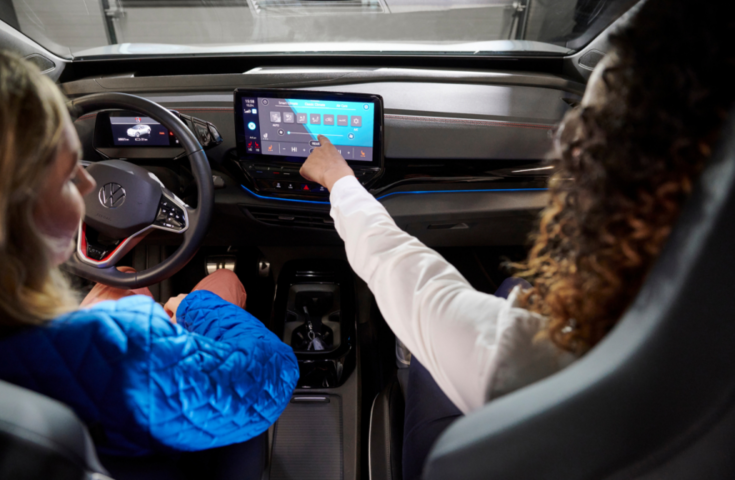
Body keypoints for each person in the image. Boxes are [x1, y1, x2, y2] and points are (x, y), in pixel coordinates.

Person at [300, 1, 734, 478]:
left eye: (590, 127)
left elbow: (411, 281)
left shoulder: (531, 363)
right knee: (510, 292)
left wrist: (340, 181)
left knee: (432, 351)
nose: (567, 135)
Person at [0, 39, 299, 465]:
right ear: (8, 206)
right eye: (69, 177)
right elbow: (271, 373)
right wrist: (194, 307)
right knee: (223, 282)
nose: (91, 187)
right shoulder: (117, 351)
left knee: (124, 279)